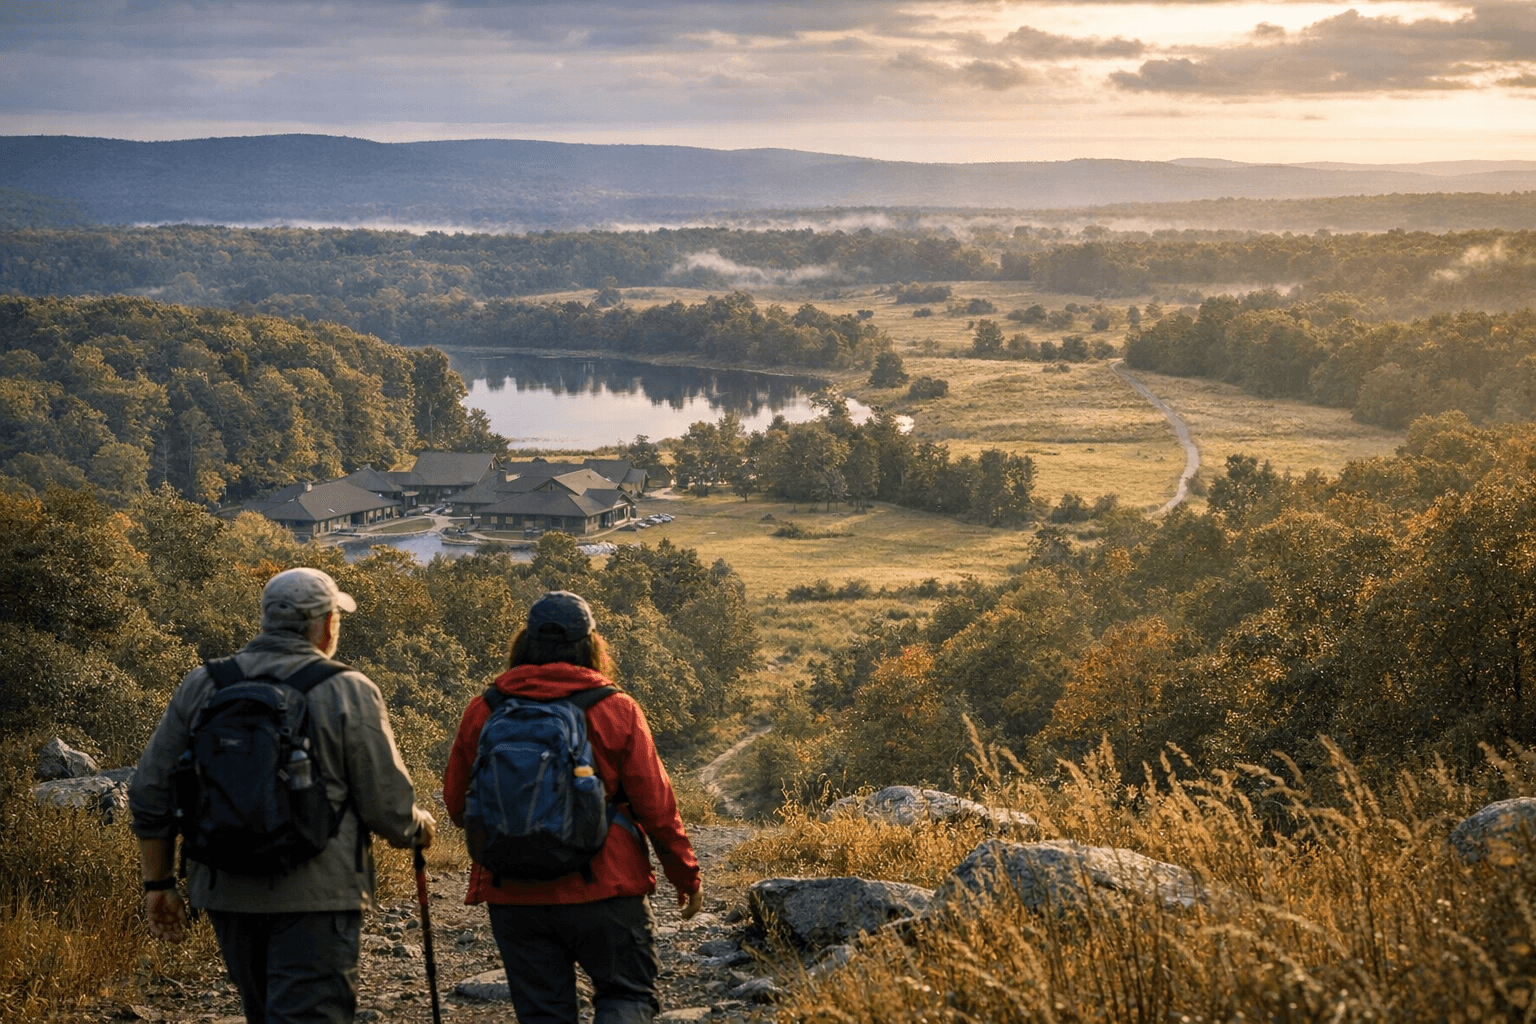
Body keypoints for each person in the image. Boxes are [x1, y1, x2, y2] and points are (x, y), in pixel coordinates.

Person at [129, 566, 436, 1024]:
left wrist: (158, 885)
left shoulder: (205, 684)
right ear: (326, 624)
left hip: (227, 890)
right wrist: (418, 827)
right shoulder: (348, 689)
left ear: (267, 620)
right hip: (319, 896)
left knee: (262, 1012)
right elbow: (387, 808)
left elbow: (149, 789)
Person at [443, 590, 702, 1024]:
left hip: (513, 893)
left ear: (524, 643)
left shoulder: (485, 708)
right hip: (606, 887)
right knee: (626, 996)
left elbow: (457, 805)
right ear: (591, 645)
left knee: (544, 1014)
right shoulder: (616, 709)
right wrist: (684, 874)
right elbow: (656, 806)